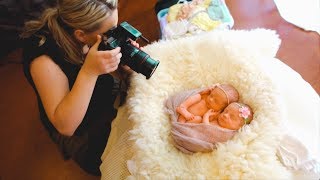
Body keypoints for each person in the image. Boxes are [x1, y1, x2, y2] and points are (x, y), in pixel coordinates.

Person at [20, 0, 135, 176]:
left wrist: (125, 63)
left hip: (98, 101)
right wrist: (88, 72)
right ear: (81, 35)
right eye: (109, 32)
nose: (113, 36)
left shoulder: (82, 27)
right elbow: (65, 126)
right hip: (81, 132)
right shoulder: (43, 60)